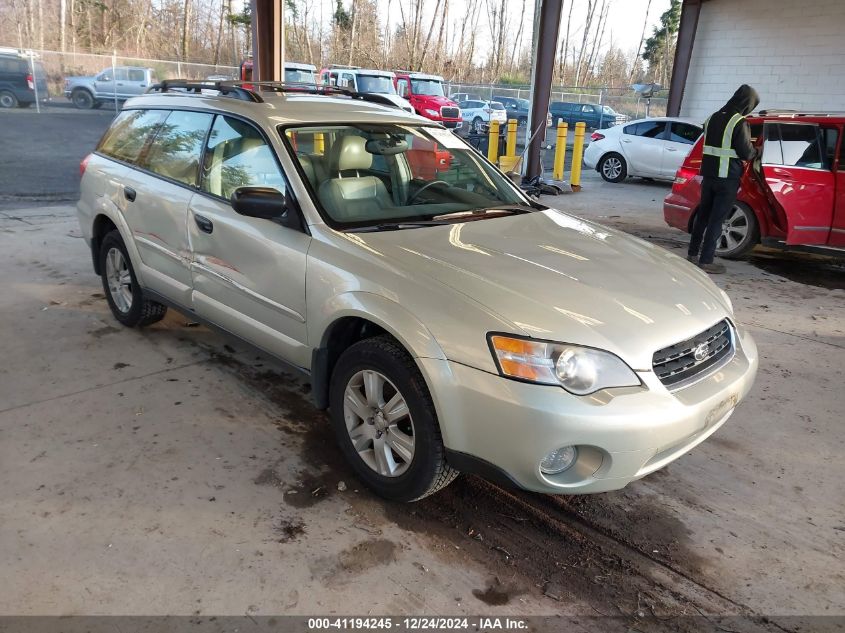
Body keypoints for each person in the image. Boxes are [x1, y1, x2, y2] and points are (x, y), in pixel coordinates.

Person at [688, 84, 760, 274]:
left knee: (702, 216)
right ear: (747, 103)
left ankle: (692, 254)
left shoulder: (712, 117)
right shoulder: (739, 122)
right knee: (717, 220)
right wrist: (757, 151)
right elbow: (746, 152)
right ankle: (706, 260)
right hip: (727, 178)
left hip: (709, 176)